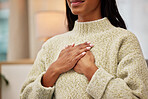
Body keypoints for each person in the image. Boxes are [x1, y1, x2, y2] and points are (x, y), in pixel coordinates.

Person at [20, 0, 148, 99]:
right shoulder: (51, 45)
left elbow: (137, 96)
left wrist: (91, 71)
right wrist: (54, 70)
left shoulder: (124, 40)